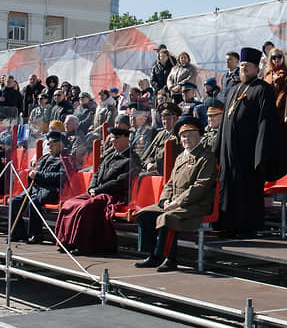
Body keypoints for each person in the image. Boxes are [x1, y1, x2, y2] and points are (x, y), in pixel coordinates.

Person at [215, 47, 287, 235]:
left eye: (247, 66)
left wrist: (260, 153)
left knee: (246, 189)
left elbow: (266, 122)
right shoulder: (234, 89)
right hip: (229, 151)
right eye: (241, 66)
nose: (244, 70)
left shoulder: (262, 89)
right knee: (228, 187)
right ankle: (227, 225)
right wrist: (218, 147)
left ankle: (247, 228)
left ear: (257, 68)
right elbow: (225, 119)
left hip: (249, 152)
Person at [134, 117, 217, 271]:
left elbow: (200, 187)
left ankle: (169, 258)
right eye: (184, 136)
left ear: (200, 136)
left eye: (191, 135)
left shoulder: (206, 157)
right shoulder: (180, 157)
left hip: (195, 204)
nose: (187, 139)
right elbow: (170, 183)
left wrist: (177, 202)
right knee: (145, 214)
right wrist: (164, 200)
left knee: (168, 218)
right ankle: (153, 255)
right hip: (173, 201)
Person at [55, 127, 139, 254]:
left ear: (126, 139)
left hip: (114, 195)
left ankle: (82, 245)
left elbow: (121, 181)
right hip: (98, 192)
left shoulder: (132, 158)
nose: (113, 142)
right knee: (69, 203)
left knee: (85, 207)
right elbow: (97, 173)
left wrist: (98, 190)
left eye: (116, 139)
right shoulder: (110, 156)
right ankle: (66, 241)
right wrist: (91, 188)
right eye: (112, 139)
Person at [10, 131, 72, 243]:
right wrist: (32, 175)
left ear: (61, 144)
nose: (50, 147)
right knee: (15, 201)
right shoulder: (45, 158)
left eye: (53, 144)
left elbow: (61, 177)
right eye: (49, 144)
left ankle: (36, 234)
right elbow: (36, 172)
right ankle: (18, 233)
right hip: (35, 187)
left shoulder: (65, 159)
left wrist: (39, 175)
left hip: (51, 189)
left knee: (33, 202)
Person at [141, 102, 182, 174]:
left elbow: (175, 158)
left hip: (169, 172)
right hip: (154, 171)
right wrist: (148, 163)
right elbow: (148, 154)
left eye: (168, 119)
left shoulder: (179, 135)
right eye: (163, 119)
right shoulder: (160, 134)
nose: (165, 122)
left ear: (176, 119)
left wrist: (155, 166)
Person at [262, 48, 287, 132]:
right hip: (267, 111)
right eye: (274, 57)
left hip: (280, 112)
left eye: (279, 56)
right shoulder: (267, 74)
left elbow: (284, 93)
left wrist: (274, 109)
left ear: (283, 58)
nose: (277, 59)